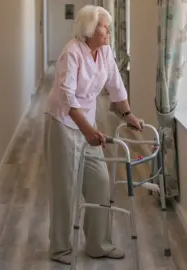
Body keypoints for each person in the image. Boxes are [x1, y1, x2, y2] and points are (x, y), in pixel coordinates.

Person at [43, 4, 142, 265]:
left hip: (86, 124)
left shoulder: (105, 51)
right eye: (103, 27)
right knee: (65, 189)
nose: (108, 31)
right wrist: (88, 130)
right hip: (63, 123)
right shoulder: (72, 53)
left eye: (109, 27)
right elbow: (67, 98)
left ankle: (98, 244)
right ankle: (60, 249)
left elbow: (116, 85)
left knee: (99, 182)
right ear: (88, 29)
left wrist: (128, 114)